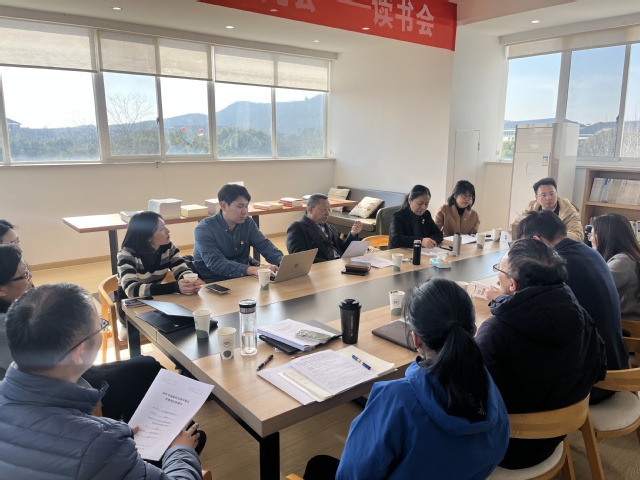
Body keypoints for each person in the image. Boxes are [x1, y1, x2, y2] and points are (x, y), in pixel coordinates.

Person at [299, 278, 509, 480]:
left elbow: (351, 474)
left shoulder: (396, 399)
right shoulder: (487, 386)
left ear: (416, 338)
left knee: (318, 465)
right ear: (473, 331)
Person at [0, 282, 204, 480]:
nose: (102, 330)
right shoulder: (100, 443)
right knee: (192, 440)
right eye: (100, 326)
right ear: (78, 353)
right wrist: (180, 450)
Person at [0, 244, 169, 424]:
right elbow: (41, 376)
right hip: (64, 390)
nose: (31, 280)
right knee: (147, 371)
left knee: (147, 365)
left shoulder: (19, 310)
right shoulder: (8, 326)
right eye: (24, 275)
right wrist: (93, 404)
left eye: (28, 271)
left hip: (69, 375)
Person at [476, 239, 606, 470]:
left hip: (508, 447)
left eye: (499, 270)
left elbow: (475, 401)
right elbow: (598, 369)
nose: (497, 276)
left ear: (513, 284)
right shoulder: (580, 315)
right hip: (558, 435)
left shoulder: (495, 332)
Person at [516, 210, 628, 403]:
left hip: (594, 381)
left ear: (537, 240)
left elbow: (527, 315)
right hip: (616, 363)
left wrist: (501, 296)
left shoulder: (558, 266)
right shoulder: (589, 252)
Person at [193, 184, 284, 282]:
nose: (244, 211)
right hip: (213, 281)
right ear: (223, 206)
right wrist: (254, 270)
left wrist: (281, 261)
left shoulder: (248, 223)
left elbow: (264, 245)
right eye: (240, 206)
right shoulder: (204, 229)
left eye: (246, 206)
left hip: (243, 278)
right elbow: (216, 263)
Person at [118, 211, 200, 299]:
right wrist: (175, 287)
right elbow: (131, 290)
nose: (168, 231)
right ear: (147, 237)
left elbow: (182, 270)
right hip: (129, 302)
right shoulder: (126, 255)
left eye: (165, 226)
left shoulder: (168, 248)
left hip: (154, 299)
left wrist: (191, 282)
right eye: (162, 229)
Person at [285, 193, 363, 263]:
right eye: (324, 209)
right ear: (311, 209)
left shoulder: (330, 228)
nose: (327, 213)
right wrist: (328, 264)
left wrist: (353, 233)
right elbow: (298, 257)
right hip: (322, 268)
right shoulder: (297, 227)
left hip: (340, 263)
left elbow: (342, 248)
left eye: (329, 209)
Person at [591, 213, 640, 318]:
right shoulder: (631, 257)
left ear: (604, 237)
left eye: (592, 235)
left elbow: (594, 287)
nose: (590, 239)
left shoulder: (622, 261)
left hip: (625, 323)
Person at [510, 177, 583, 241]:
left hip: (559, 248)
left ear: (557, 194)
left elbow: (578, 235)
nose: (548, 198)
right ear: (536, 197)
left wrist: (553, 235)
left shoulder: (568, 210)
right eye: (544, 195)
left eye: (551, 194)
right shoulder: (532, 207)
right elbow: (514, 227)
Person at [388, 184, 443, 249]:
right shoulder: (398, 216)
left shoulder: (426, 214)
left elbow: (439, 234)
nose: (423, 207)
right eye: (419, 203)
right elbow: (396, 239)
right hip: (400, 252)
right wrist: (421, 241)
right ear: (409, 200)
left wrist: (430, 241)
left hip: (422, 252)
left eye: (426, 204)